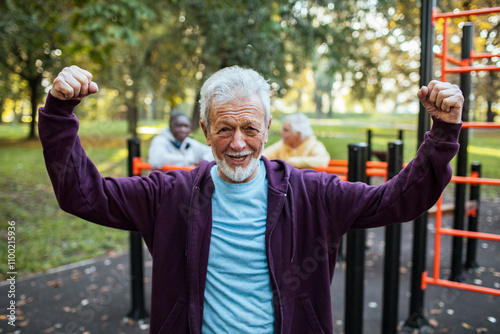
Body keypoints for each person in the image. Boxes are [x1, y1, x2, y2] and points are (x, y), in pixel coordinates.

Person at [39, 65, 463, 334]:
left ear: (268, 127)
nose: (238, 143)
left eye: (250, 128)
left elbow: (399, 201)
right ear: (205, 129)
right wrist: (59, 113)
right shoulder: (171, 195)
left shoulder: (312, 193)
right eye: (224, 128)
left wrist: (442, 134)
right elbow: (83, 195)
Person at [148, 110, 213, 168]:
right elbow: (156, 160)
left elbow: (212, 152)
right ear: (171, 126)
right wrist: (190, 161)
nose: (183, 130)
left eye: (186, 126)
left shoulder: (189, 142)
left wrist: (202, 161)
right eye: (179, 126)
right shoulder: (160, 140)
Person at [263, 113, 330, 168]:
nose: (281, 133)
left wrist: (291, 162)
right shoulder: (282, 144)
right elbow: (262, 156)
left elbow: (322, 161)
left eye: (286, 130)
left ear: (297, 133)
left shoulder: (314, 145)